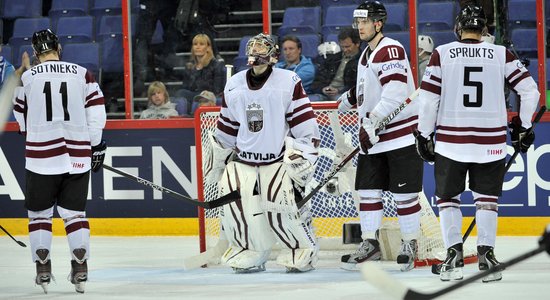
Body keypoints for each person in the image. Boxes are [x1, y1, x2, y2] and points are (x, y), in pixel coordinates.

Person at [415, 4, 539, 282]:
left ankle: (453, 257)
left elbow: (428, 99)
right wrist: (524, 125)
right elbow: (530, 91)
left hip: (450, 142)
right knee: (487, 201)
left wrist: (424, 134)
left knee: (448, 200)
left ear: (459, 27)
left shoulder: (442, 53)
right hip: (490, 143)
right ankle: (487, 256)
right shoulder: (500, 54)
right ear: (484, 29)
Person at [206, 33, 321, 273]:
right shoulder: (235, 83)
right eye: (253, 49)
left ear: (273, 56)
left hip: (276, 160)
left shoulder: (288, 80)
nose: (256, 54)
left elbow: (304, 124)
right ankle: (249, 249)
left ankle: (299, 249)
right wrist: (219, 159)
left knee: (282, 208)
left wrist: (305, 155)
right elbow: (227, 126)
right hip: (244, 160)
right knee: (236, 207)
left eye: (262, 49)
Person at [12, 29, 107, 294]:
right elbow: (97, 114)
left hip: (41, 158)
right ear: (59, 48)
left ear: (35, 51)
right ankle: (81, 266)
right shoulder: (82, 73)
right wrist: (96, 147)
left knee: (39, 214)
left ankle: (43, 268)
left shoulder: (27, 77)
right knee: (75, 215)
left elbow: (21, 120)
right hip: (77, 156)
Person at [337, 1, 423, 272]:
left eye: (365, 21)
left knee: (404, 196)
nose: (360, 26)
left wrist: (371, 122)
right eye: (358, 21)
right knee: (369, 192)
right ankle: (369, 243)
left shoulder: (391, 48)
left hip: (399, 136)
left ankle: (410, 242)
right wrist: (352, 97)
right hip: (374, 137)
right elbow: (371, 86)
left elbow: (395, 92)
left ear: (378, 23)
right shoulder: (366, 54)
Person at [176, 33, 226, 115]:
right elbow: (186, 87)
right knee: (180, 93)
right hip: (193, 95)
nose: (197, 47)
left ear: (208, 47)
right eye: (195, 44)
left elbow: (217, 89)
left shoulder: (216, 65)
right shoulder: (190, 66)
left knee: (200, 98)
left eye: (201, 44)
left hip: (208, 95)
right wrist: (196, 70)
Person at [311, 27, 361, 101]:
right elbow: (317, 81)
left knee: (339, 100)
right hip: (325, 94)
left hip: (345, 94)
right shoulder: (332, 59)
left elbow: (358, 85)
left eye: (347, 46)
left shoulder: (362, 61)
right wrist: (323, 89)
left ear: (357, 43)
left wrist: (340, 91)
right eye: (342, 47)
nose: (344, 50)